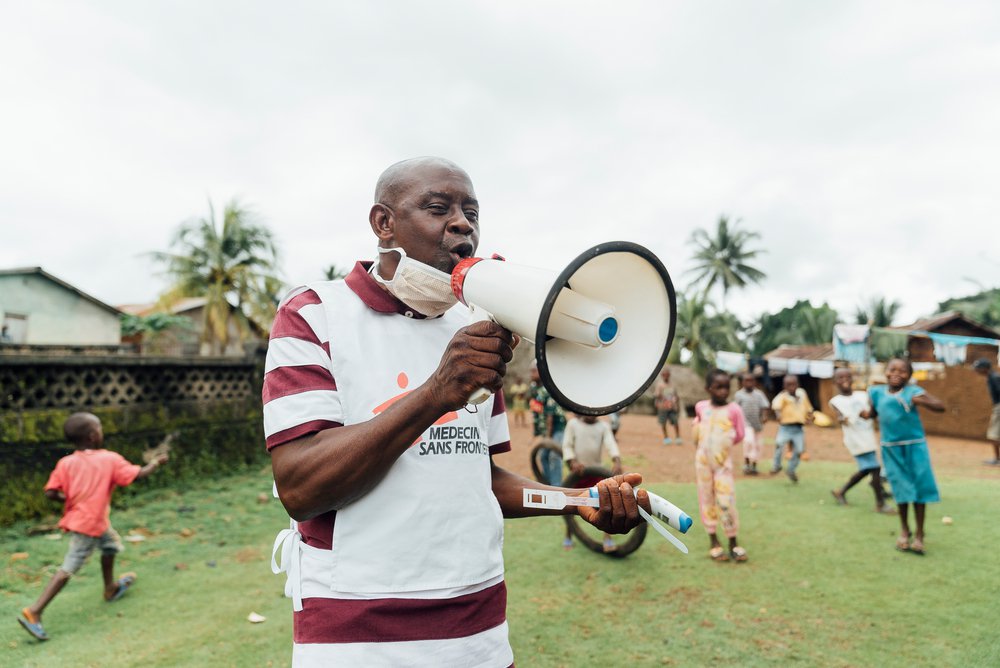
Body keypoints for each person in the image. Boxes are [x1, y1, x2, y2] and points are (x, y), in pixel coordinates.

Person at [264, 157, 649, 666]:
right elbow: (301, 488)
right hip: (357, 631)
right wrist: (435, 393)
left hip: (478, 628)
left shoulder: (476, 329)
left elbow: (478, 478)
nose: (462, 222)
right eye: (437, 207)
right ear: (383, 223)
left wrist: (573, 499)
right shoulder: (315, 314)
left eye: (471, 210)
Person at [17, 412, 168, 641]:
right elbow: (138, 474)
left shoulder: (66, 462)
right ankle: (35, 611)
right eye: (100, 429)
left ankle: (110, 588)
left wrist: (70, 500)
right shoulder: (109, 459)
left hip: (91, 520)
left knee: (111, 547)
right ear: (92, 436)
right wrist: (157, 462)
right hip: (88, 524)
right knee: (70, 566)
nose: (101, 432)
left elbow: (50, 492)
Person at [863, 358, 945, 555]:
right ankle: (904, 530)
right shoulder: (875, 392)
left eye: (903, 371)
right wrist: (865, 415)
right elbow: (874, 413)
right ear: (886, 372)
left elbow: (940, 406)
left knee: (919, 489)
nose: (897, 374)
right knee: (901, 489)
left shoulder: (913, 392)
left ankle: (919, 534)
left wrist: (920, 400)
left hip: (915, 447)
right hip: (891, 449)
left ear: (909, 375)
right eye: (892, 369)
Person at [691, 369, 748, 562]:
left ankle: (733, 541)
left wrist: (722, 446)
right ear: (708, 389)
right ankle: (713, 540)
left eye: (726, 387)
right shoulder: (701, 407)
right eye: (718, 387)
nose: (723, 391)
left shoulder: (734, 410)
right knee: (706, 498)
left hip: (723, 464)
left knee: (726, 501)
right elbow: (696, 428)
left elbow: (739, 435)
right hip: (703, 463)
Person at [828, 368, 894, 513]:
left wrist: (870, 412)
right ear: (834, 382)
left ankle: (842, 491)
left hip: (867, 435)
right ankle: (880, 503)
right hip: (854, 439)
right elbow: (840, 417)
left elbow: (872, 411)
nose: (844, 380)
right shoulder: (835, 401)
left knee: (867, 469)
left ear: (853, 379)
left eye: (847, 376)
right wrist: (843, 419)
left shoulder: (863, 395)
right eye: (840, 378)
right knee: (874, 468)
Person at [563, 414, 624, 552]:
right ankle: (569, 534)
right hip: (577, 473)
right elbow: (567, 446)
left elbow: (611, 444)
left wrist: (617, 461)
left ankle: (607, 537)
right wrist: (572, 461)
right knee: (571, 506)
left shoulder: (603, 426)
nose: (590, 413)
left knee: (605, 505)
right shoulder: (573, 424)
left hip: (596, 473)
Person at [528, 361, 567, 486]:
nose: (531, 374)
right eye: (531, 371)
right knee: (543, 456)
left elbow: (550, 415)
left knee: (554, 455)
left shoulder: (547, 388)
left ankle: (557, 487)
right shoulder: (534, 388)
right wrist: (536, 434)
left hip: (557, 426)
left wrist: (548, 438)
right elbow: (536, 412)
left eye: (534, 371)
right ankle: (548, 484)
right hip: (547, 429)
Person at [770, 375, 814, 482]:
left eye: (794, 384)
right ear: (784, 386)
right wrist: (778, 415)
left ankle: (791, 469)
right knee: (779, 444)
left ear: (798, 384)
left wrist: (810, 416)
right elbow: (776, 406)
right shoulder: (782, 396)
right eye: (788, 385)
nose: (791, 387)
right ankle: (776, 465)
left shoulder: (802, 394)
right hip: (785, 427)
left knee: (799, 450)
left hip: (798, 429)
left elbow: (808, 408)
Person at [732, 373, 769, 475]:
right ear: (742, 382)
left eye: (751, 380)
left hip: (757, 424)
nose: (749, 383)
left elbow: (765, 406)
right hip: (745, 424)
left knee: (757, 446)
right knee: (749, 442)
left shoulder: (759, 394)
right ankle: (746, 464)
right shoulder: (739, 395)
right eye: (746, 380)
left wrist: (765, 416)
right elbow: (735, 409)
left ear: (755, 382)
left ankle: (753, 466)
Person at [972, 358, 1000, 466]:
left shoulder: (994, 378)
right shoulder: (992, 377)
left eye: (978, 368)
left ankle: (997, 459)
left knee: (994, 434)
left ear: (985, 368)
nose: (976, 371)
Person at [652, 368, 682, 444]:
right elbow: (656, 395)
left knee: (675, 421)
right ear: (662, 375)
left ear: (669, 375)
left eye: (667, 375)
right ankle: (666, 438)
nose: (666, 376)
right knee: (663, 423)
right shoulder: (659, 385)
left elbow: (676, 396)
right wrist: (664, 399)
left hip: (672, 407)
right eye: (664, 375)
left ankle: (678, 437)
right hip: (663, 407)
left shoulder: (672, 385)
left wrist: (677, 405)